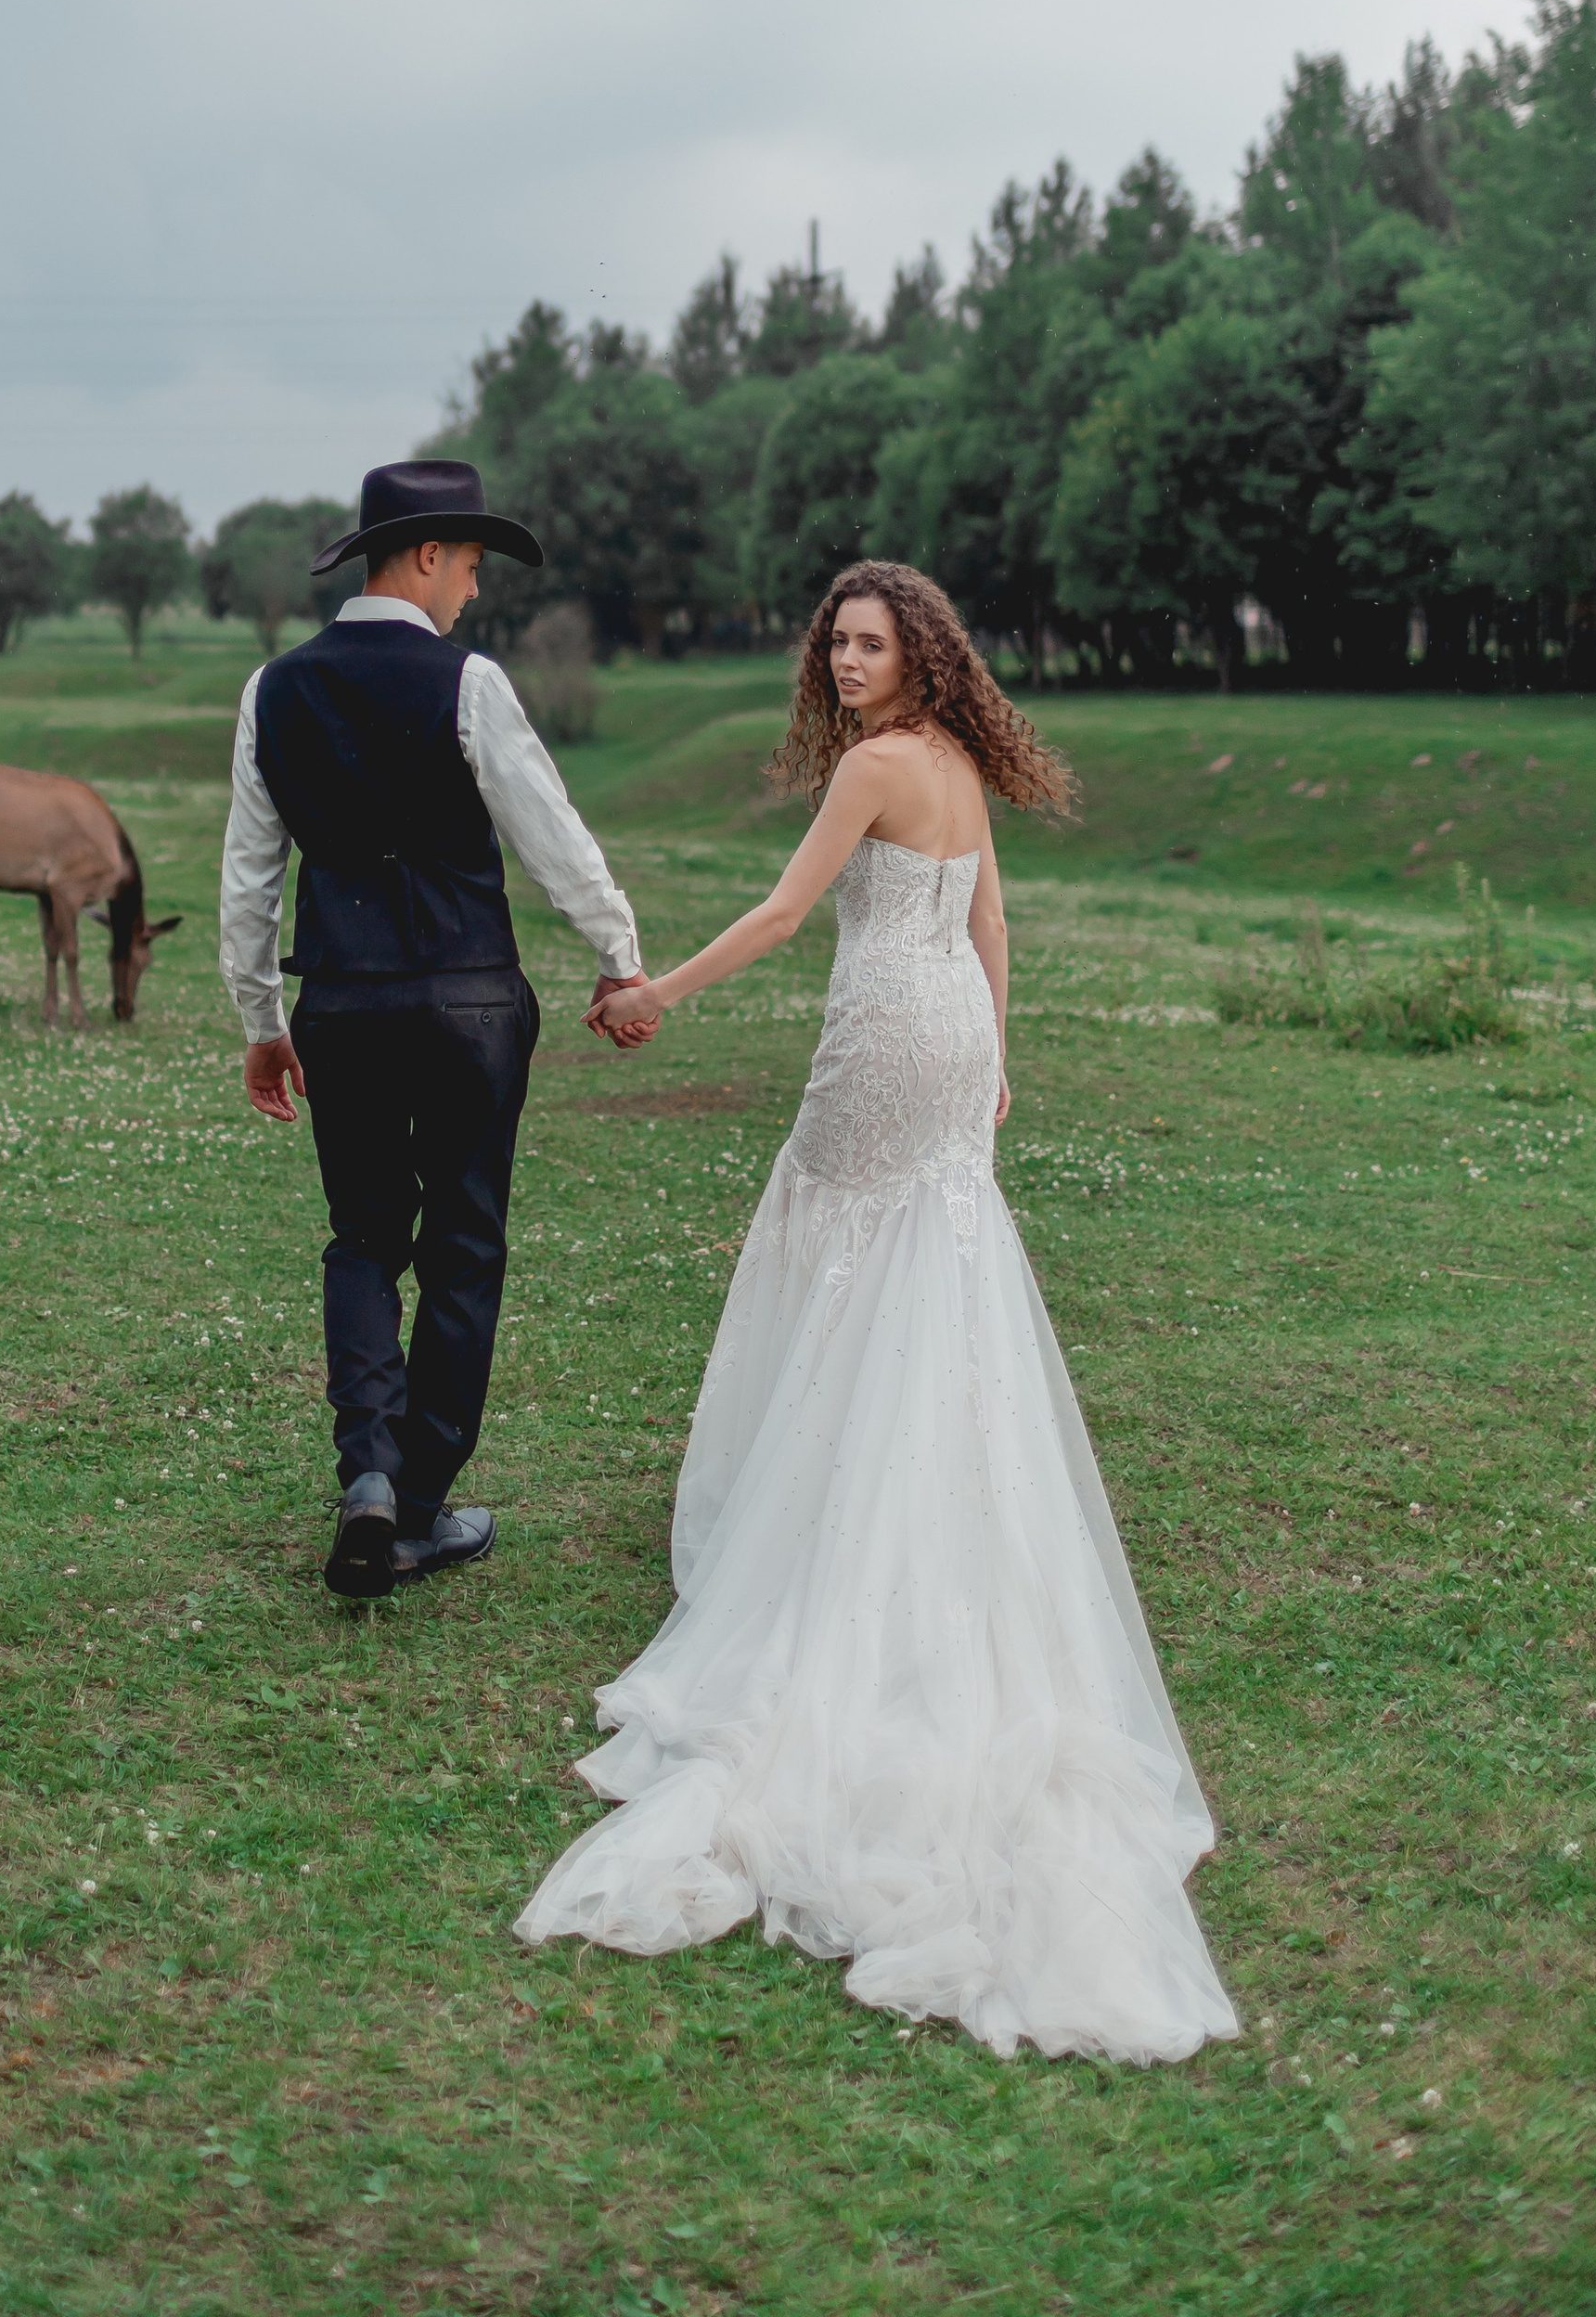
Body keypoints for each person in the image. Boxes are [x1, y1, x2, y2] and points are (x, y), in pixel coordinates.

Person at [515, 560, 1239, 2066]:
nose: (845, 663)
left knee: (836, 1245)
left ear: (922, 652)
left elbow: (788, 913)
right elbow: (990, 926)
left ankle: (828, 1521)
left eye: (870, 641)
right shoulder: (962, 761)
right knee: (927, 1262)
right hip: (949, 1035)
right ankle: (918, 1501)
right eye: (835, 642)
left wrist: (655, 992)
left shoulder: (875, 765)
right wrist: (999, 1056)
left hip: (889, 1037)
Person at [221, 459, 648, 1603]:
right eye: (465, 565)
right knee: (462, 1243)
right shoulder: (467, 682)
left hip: (344, 1005)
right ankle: (416, 1509)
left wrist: (262, 1020)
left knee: (362, 1237)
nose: (470, 590)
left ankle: (366, 1469)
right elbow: (546, 827)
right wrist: (617, 951)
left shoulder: (275, 688)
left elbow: (249, 880)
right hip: (466, 1003)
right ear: (420, 556)